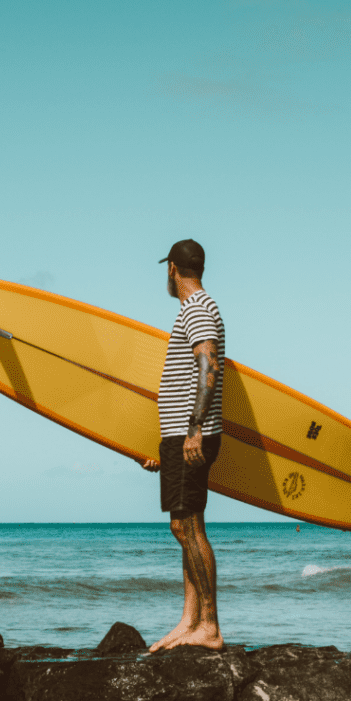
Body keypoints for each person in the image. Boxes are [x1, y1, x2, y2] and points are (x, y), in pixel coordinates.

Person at [140, 239, 225, 652]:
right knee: (188, 526)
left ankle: (208, 624)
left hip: (191, 436)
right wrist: (167, 448)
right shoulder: (197, 310)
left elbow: (208, 363)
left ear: (173, 269)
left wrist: (193, 430)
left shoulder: (197, 309)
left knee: (185, 527)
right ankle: (189, 622)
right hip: (180, 438)